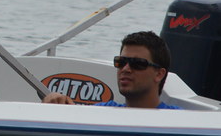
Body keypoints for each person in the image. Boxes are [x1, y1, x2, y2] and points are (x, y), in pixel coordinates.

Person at [43, 31, 181, 108]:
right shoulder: (101, 111)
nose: (126, 69)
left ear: (159, 74)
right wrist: (53, 103)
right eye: (121, 62)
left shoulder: (182, 120)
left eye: (137, 63)